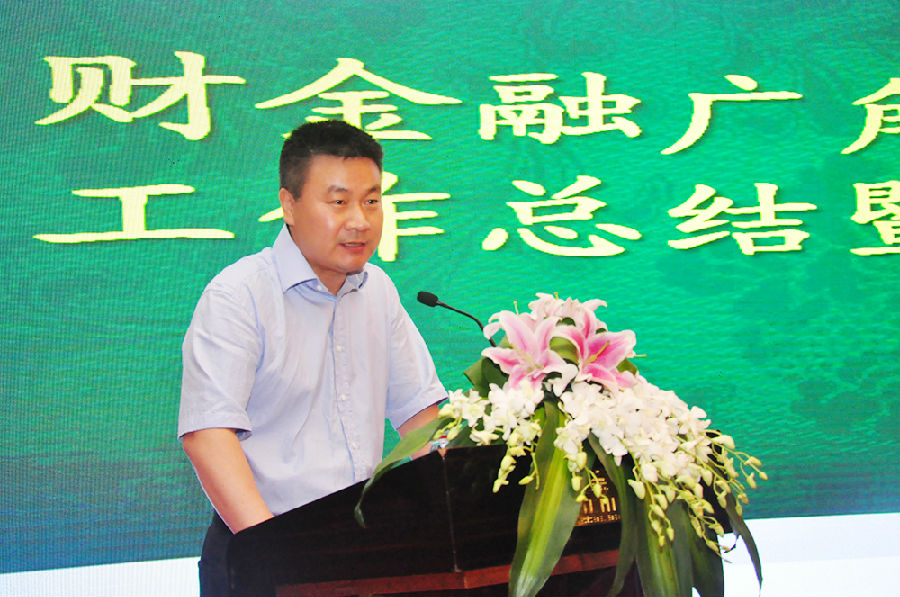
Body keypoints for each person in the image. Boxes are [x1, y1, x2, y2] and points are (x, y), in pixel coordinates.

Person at [177, 120, 446, 596]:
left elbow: (420, 417)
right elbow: (208, 433)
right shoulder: (239, 295)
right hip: (263, 552)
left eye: (372, 200)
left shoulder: (378, 291)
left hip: (361, 546)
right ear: (289, 204)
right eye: (339, 202)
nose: (360, 221)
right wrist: (275, 551)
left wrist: (458, 507)